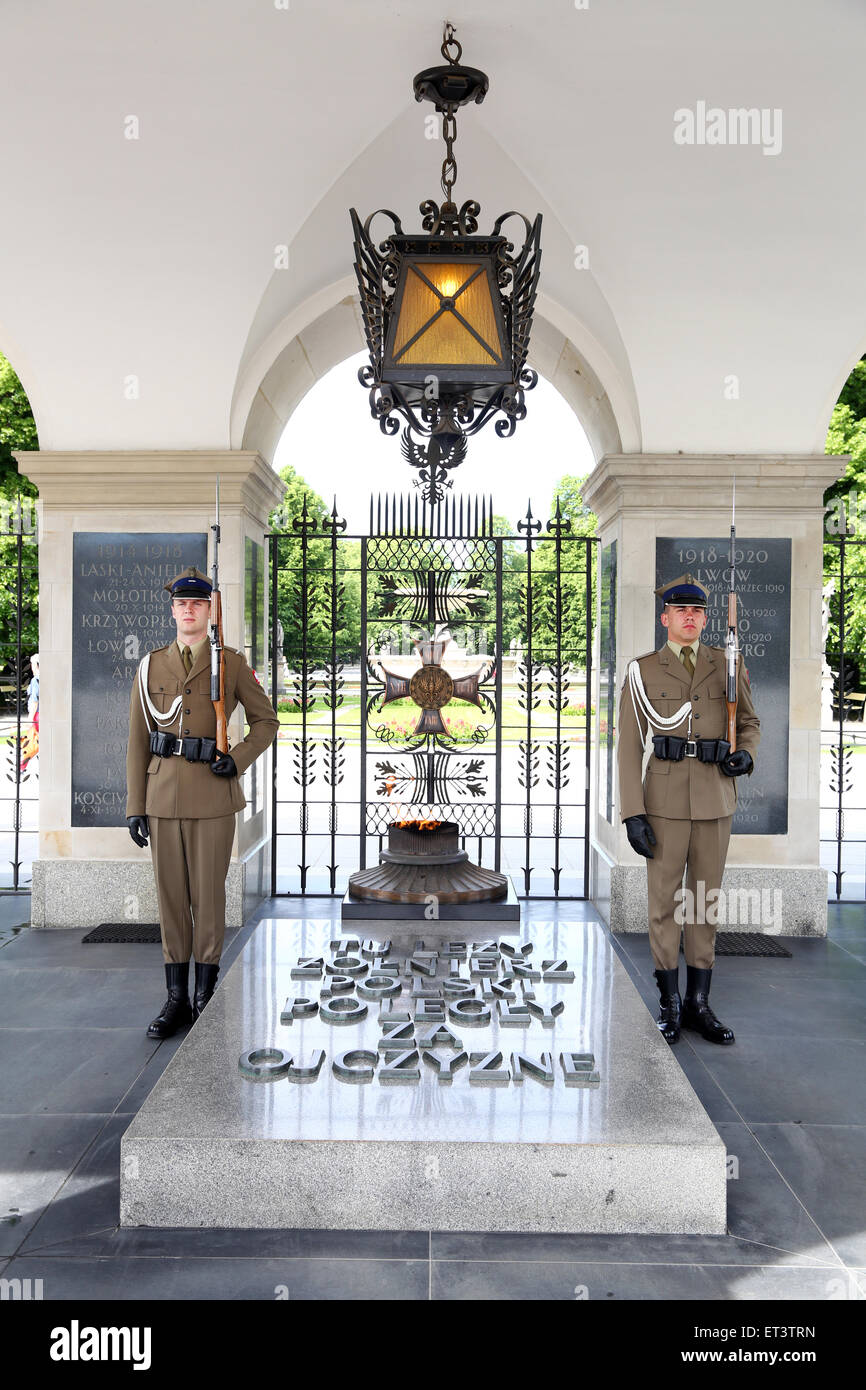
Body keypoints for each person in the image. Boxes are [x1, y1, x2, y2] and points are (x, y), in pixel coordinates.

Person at [126, 567, 279, 1039]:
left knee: (208, 900)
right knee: (171, 900)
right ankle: (176, 999)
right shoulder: (150, 665)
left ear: (209, 610)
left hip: (213, 797)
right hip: (162, 796)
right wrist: (136, 803)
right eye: (181, 604)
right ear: (172, 610)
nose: (188, 610)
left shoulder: (230, 662)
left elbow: (266, 722)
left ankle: (204, 994)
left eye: (197, 604)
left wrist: (236, 760)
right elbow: (137, 739)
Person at [617, 573, 760, 1046]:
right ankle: (670, 1003)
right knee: (664, 905)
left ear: (704, 618)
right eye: (681, 611)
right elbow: (628, 745)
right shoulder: (643, 670)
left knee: (705, 901)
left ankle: (699, 1004)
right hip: (664, 802)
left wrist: (747, 754)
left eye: (697, 612)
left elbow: (750, 722)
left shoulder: (726, 664)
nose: (690, 618)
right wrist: (632, 813)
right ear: (665, 618)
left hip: (715, 797)